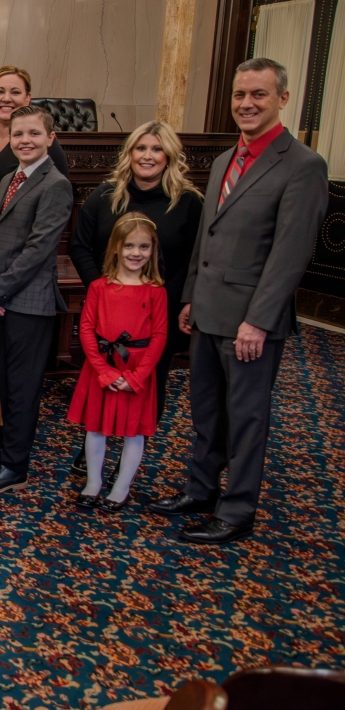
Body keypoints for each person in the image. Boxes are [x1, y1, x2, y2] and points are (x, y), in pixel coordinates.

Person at [151, 58, 329, 544]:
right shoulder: (227, 159)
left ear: (282, 99)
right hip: (208, 310)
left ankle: (237, 509)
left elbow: (290, 255)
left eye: (259, 95)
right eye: (240, 95)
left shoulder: (303, 166)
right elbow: (207, 241)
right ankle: (201, 489)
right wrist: (189, 298)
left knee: (247, 418)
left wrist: (258, 321)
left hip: (252, 322)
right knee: (206, 409)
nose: (246, 104)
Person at [68, 121, 202, 476]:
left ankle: (128, 457)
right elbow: (80, 246)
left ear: (170, 155)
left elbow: (194, 258)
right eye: (141, 148)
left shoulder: (187, 202)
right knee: (103, 380)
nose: (148, 156)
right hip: (107, 314)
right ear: (129, 153)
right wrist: (107, 291)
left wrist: (162, 298)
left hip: (159, 311)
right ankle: (92, 450)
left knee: (146, 383)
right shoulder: (105, 195)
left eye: (156, 149)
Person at [0, 105, 72, 495]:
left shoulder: (55, 184)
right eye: (19, 134)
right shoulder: (12, 176)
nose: (25, 140)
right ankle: (6, 455)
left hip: (27, 304)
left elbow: (39, 249)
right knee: (6, 386)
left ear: (50, 139)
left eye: (34, 134)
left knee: (22, 391)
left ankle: (15, 469)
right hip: (0, 302)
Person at [68, 214, 168, 511]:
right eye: (129, 246)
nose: (136, 253)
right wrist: (104, 370)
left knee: (133, 431)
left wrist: (136, 376)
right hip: (103, 367)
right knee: (95, 427)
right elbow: (86, 328)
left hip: (137, 369)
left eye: (144, 247)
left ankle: (122, 486)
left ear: (153, 250)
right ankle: (93, 482)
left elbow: (160, 335)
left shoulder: (155, 291)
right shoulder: (100, 286)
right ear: (115, 248)